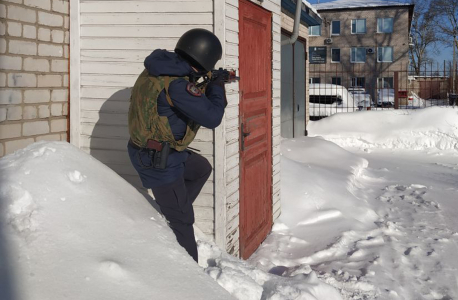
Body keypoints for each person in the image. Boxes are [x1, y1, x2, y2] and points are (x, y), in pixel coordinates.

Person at [127, 29, 226, 263]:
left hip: (153, 150)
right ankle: (187, 275)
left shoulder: (159, 69)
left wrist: (205, 80)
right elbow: (213, 117)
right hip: (159, 161)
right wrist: (216, 86)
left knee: (201, 168)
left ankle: (172, 212)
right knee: (183, 222)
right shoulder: (178, 86)